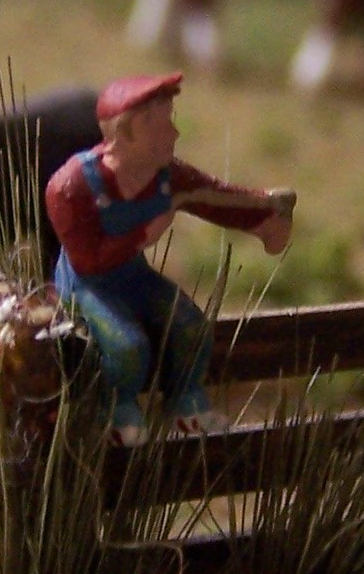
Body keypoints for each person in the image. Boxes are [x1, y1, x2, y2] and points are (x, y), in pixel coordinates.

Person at [45, 74, 294, 443]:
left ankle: (186, 405)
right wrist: (144, 234)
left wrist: (266, 210)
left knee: (191, 325)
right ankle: (114, 410)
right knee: (126, 346)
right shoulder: (71, 187)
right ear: (125, 133)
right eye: (161, 125)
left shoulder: (165, 176)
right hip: (85, 286)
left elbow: (213, 195)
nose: (174, 134)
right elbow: (88, 261)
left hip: (131, 276)